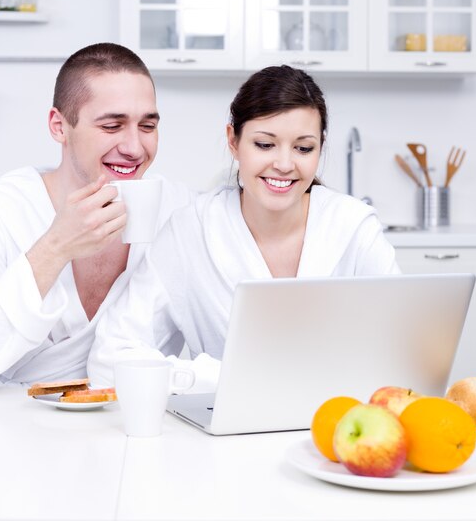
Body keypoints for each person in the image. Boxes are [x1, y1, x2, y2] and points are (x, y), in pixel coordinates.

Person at [87, 65, 400, 392]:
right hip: (223, 435)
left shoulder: (354, 226)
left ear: (320, 148)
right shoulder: (190, 231)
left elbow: (403, 348)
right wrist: (220, 379)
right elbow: (110, 359)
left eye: (303, 148)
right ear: (233, 142)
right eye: (265, 145)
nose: (284, 163)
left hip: (339, 431)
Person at [0, 43, 193, 397]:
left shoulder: (178, 210)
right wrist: (55, 247)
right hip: (13, 426)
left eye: (147, 126)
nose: (134, 147)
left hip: (134, 425)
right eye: (112, 125)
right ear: (59, 126)